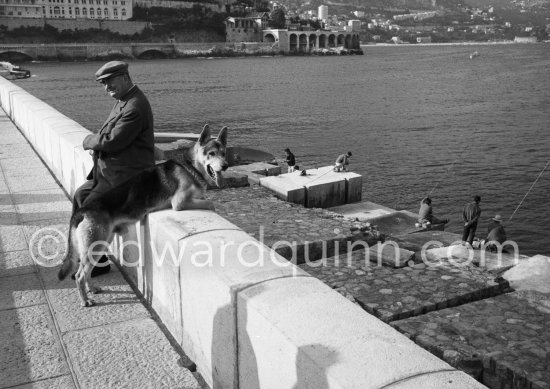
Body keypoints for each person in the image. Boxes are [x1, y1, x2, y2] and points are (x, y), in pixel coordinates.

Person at [73, 60, 155, 277]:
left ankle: (92, 262)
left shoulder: (135, 107)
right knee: (80, 194)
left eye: (110, 81)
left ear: (125, 78)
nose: (106, 87)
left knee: (89, 206)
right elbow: (110, 137)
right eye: (103, 83)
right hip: (113, 173)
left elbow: (111, 141)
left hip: (130, 177)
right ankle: (91, 259)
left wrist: (88, 141)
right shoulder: (124, 100)